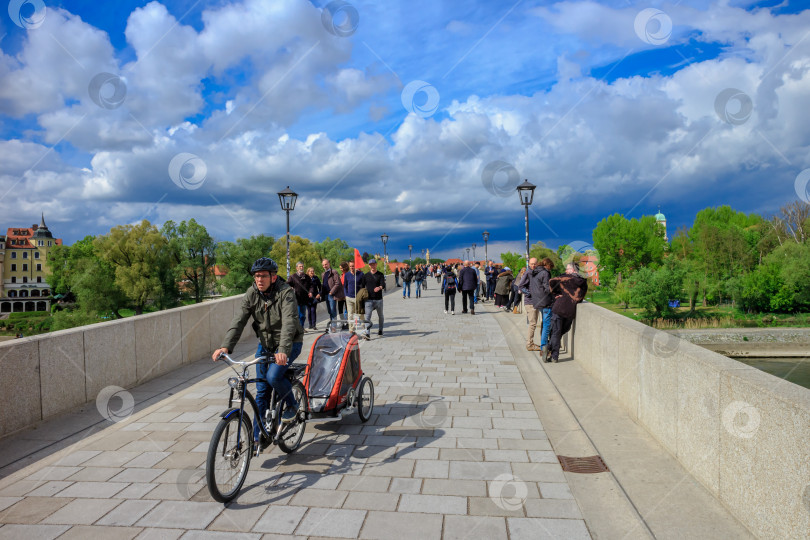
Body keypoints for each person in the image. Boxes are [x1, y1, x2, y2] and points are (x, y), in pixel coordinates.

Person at [212, 257, 305, 447]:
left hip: (289, 344)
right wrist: (225, 346)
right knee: (261, 392)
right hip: (265, 344)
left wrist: (283, 351)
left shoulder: (285, 293)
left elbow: (289, 324)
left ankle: (293, 405)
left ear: (273, 276)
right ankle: (257, 437)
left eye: (263, 276)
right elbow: (239, 320)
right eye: (256, 276)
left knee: (273, 377)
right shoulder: (252, 293)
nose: (259, 280)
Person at [546, 262, 588, 363]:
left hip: (559, 307)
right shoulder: (582, 282)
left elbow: (551, 281)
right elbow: (581, 296)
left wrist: (556, 293)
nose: (566, 271)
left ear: (573, 270)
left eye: (567, 269)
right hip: (570, 310)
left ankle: (553, 354)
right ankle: (550, 349)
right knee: (561, 331)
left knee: (556, 332)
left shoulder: (564, 278)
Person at [517, 258, 542, 351]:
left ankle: (531, 343)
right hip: (530, 302)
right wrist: (531, 293)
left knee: (534, 323)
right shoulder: (528, 273)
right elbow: (520, 286)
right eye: (531, 264)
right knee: (533, 324)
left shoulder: (535, 273)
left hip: (535, 302)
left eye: (535, 264)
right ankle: (529, 344)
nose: (533, 266)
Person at [533, 258, 555, 355]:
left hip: (537, 302)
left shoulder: (535, 272)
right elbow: (547, 288)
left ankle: (544, 346)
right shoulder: (545, 273)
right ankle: (544, 348)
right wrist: (554, 293)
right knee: (546, 326)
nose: (550, 269)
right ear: (548, 265)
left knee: (544, 323)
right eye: (551, 267)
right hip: (545, 302)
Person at [362, 259, 386, 336]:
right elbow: (362, 287)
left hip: (378, 299)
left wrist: (379, 287)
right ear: (369, 265)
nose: (372, 266)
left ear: (376, 265)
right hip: (368, 300)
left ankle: (380, 330)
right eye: (371, 264)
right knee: (367, 316)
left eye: (373, 264)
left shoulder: (380, 275)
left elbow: (383, 285)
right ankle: (367, 332)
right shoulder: (365, 276)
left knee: (380, 316)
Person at [286, 261, 310, 328]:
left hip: (304, 299)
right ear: (297, 268)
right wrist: (290, 287)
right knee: (298, 315)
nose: (301, 267)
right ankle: (299, 328)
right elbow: (287, 284)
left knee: (303, 315)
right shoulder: (293, 276)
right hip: (296, 298)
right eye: (300, 266)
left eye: (302, 266)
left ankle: (301, 327)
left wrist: (311, 292)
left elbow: (311, 286)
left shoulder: (307, 277)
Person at [342, 261, 363, 325]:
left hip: (358, 298)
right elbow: (345, 286)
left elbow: (363, 285)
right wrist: (346, 295)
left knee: (360, 314)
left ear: (355, 266)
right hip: (349, 298)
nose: (352, 267)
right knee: (350, 315)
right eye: (350, 266)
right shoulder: (347, 275)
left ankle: (363, 328)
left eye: (353, 266)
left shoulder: (361, 274)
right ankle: (351, 329)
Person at [306, 266, 321, 330]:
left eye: (313, 271)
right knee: (309, 311)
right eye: (310, 271)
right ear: (308, 272)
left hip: (315, 297)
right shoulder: (305, 278)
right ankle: (310, 324)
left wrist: (319, 294)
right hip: (307, 297)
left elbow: (320, 287)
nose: (312, 272)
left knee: (313, 310)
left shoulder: (316, 278)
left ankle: (314, 325)